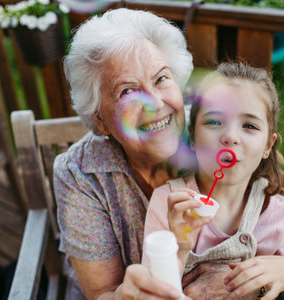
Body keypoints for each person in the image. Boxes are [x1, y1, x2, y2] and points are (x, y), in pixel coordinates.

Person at [143, 62, 284, 299]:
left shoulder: (277, 212)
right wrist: (180, 248)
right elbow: (151, 293)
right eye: (214, 122)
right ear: (193, 137)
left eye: (249, 125)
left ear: (268, 145)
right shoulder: (170, 203)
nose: (230, 136)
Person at [53, 8, 195, 300]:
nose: (155, 103)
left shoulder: (220, 133)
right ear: (100, 120)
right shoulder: (79, 174)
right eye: (128, 92)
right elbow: (102, 292)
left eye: (161, 79)